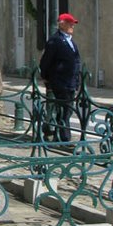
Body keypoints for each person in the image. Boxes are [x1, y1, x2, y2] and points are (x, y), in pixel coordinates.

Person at [39, 13, 82, 143]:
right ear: (61, 24)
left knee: (68, 109)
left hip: (71, 81)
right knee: (63, 109)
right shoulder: (55, 40)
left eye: (73, 23)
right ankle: (63, 137)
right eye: (69, 23)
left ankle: (62, 134)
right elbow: (46, 61)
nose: (72, 26)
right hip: (60, 81)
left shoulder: (70, 41)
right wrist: (46, 77)